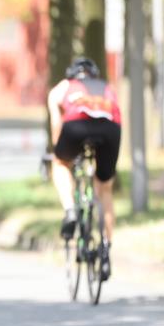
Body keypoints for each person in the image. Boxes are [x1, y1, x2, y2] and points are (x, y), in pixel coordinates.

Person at [47, 57, 121, 281]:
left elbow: (56, 124)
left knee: (59, 164)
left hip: (75, 125)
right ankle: (106, 250)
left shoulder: (63, 87)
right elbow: (119, 117)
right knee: (105, 188)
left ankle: (70, 209)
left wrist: (57, 149)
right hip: (110, 129)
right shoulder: (107, 88)